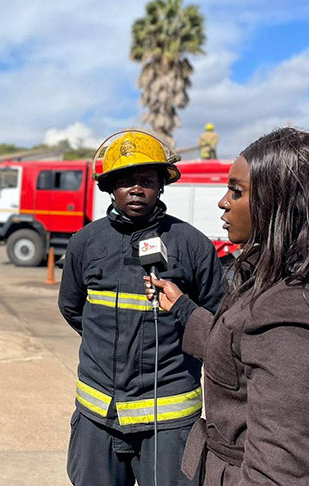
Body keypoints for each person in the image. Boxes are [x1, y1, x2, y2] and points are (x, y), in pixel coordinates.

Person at [146, 127, 309, 484]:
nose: (223, 202)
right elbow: (240, 351)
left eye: (237, 191)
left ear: (283, 205)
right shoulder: (275, 280)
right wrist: (182, 308)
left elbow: (279, 474)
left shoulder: (294, 315)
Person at [59, 130, 224, 486]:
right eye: (126, 181)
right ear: (109, 187)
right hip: (98, 416)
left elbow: (215, 323)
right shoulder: (86, 242)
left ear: (162, 186)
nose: (137, 189)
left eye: (147, 180)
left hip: (167, 422)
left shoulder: (193, 246)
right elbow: (72, 309)